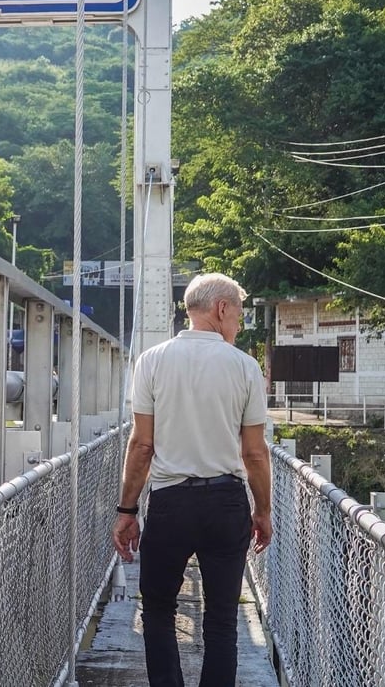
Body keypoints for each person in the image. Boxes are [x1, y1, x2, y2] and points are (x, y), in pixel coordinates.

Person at [111, 272, 272, 687]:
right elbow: (254, 452)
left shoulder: (151, 360)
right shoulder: (245, 367)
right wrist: (263, 510)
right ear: (221, 309)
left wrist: (127, 510)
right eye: (238, 313)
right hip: (226, 503)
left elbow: (141, 446)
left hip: (170, 504)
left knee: (159, 611)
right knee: (222, 618)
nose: (238, 322)